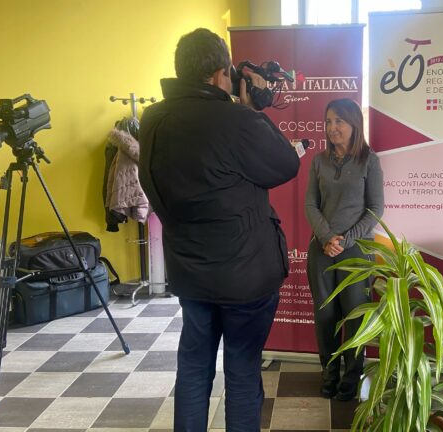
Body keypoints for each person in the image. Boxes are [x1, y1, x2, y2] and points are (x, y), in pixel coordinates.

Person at [138, 28, 300, 431]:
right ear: (216, 75)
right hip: (245, 279)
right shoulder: (237, 118)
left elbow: (152, 185)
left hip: (190, 275)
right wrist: (251, 110)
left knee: (193, 369)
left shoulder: (153, 118)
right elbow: (285, 164)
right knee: (243, 373)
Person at [304, 98, 385, 401]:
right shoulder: (318, 161)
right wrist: (326, 237)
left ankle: (351, 379)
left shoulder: (369, 161)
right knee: (325, 316)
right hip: (322, 249)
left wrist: (346, 239)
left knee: (354, 317)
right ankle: (329, 373)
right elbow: (310, 204)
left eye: (338, 121)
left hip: (356, 253)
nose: (332, 127)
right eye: (328, 121)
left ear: (354, 124)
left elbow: (376, 209)